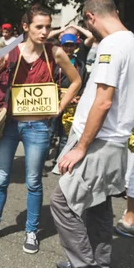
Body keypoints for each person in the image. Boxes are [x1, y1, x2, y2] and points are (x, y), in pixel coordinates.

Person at [49, 0, 134, 268]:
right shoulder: (132, 41)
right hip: (113, 139)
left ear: (90, 18)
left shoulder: (112, 45)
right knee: (98, 205)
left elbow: (103, 100)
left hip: (100, 141)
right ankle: (96, 266)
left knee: (62, 203)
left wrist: (80, 147)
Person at [0, 4, 81, 254]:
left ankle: (31, 231)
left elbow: (76, 81)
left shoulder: (55, 53)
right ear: (26, 27)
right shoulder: (12, 52)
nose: (44, 32)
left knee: (34, 180)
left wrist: (60, 107)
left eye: (48, 27)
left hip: (39, 126)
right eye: (39, 27)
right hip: (10, 124)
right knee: (0, 178)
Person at [50, 32, 89, 168]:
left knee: (65, 135)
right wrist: (58, 94)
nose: (68, 49)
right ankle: (40, 161)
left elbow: (83, 82)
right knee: (49, 132)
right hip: (55, 100)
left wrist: (79, 96)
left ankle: (59, 161)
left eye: (71, 46)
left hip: (73, 103)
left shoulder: (80, 64)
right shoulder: (54, 62)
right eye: (65, 46)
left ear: (75, 46)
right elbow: (49, 81)